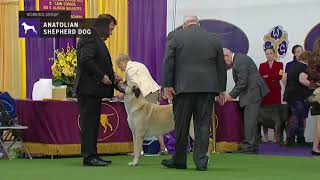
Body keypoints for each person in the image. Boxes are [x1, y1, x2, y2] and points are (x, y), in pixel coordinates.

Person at [162, 16, 227, 171]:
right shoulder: (214, 38)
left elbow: (168, 61)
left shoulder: (175, 36)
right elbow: (221, 66)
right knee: (203, 125)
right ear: (198, 24)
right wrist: (221, 89)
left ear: (185, 25)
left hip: (183, 89)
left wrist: (167, 85)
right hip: (207, 89)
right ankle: (201, 162)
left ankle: (179, 160)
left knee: (181, 125)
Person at [74, 14, 120, 166]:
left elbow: (99, 62)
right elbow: (86, 59)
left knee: (93, 124)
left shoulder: (94, 38)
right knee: (89, 124)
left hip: (93, 90)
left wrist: (113, 76)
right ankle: (89, 157)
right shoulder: (90, 38)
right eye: (110, 29)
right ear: (104, 25)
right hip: (88, 89)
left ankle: (93, 155)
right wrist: (101, 76)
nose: (111, 33)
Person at [219, 48, 269, 154]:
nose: (225, 64)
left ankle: (249, 147)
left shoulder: (239, 61)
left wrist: (231, 95)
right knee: (251, 120)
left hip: (252, 92)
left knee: (249, 120)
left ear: (227, 55)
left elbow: (242, 82)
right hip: (252, 92)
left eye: (224, 61)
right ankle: (253, 145)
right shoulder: (239, 59)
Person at [115, 53, 168, 154]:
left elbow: (135, 85)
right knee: (155, 121)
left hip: (146, 94)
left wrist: (122, 94)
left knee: (137, 123)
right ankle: (163, 148)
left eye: (119, 66)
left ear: (122, 62)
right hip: (155, 91)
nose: (120, 69)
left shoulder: (129, 70)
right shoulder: (139, 64)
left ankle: (139, 150)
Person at [284, 51, 313, 147]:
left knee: (297, 117)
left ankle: (298, 139)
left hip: (291, 95)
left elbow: (284, 78)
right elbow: (302, 80)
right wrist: (314, 85)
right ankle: (292, 140)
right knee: (297, 118)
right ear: (308, 59)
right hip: (299, 96)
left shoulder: (293, 66)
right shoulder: (304, 67)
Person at [259, 47, 283, 142]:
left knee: (276, 115)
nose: (269, 55)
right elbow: (260, 77)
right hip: (265, 93)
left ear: (274, 54)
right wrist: (271, 78)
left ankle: (275, 137)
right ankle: (265, 137)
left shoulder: (280, 64)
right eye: (267, 53)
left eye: (270, 53)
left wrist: (268, 76)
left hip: (275, 92)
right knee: (264, 114)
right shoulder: (262, 65)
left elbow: (279, 76)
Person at [309, 39, 320, 155]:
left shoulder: (312, 59)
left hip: (315, 91)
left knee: (318, 121)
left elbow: (310, 76)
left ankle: (315, 147)